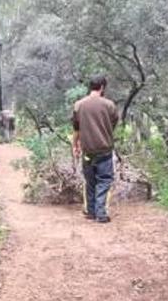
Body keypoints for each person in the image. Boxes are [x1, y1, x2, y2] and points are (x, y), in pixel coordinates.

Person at [72, 75, 120, 223]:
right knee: (104, 180)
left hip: (87, 151)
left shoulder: (79, 105)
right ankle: (101, 213)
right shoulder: (109, 105)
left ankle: (91, 211)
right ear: (102, 87)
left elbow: (76, 129)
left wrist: (75, 145)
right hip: (104, 150)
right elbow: (113, 123)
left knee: (90, 181)